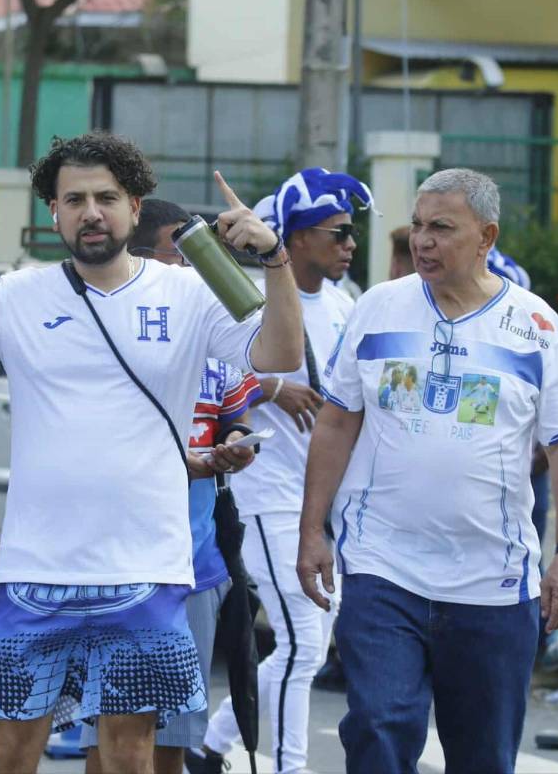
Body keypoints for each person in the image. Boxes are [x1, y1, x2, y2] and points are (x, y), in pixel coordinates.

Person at [0, 133, 304, 772]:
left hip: (146, 567)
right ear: (54, 213)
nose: (91, 212)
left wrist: (275, 258)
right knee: (11, 754)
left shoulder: (187, 293)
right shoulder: (17, 295)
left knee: (128, 755)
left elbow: (279, 354)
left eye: (106, 198)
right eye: (75, 200)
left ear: (134, 207)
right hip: (35, 569)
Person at [297, 168, 558, 774]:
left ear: (487, 236)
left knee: (482, 756)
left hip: (493, 580)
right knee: (378, 725)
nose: (423, 241)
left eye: (442, 228)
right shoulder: (378, 308)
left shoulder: (537, 328)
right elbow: (336, 423)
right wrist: (312, 530)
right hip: (383, 567)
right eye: (417, 226)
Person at [192, 168, 371, 774]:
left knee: (307, 647)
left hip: (323, 503)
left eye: (352, 232)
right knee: (301, 641)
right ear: (295, 238)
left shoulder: (346, 305)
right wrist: (272, 388)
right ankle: (288, 767)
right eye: (338, 232)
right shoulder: (251, 297)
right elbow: (215, 369)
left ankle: (210, 745)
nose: (350, 244)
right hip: (267, 494)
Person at [81, 197, 264, 774]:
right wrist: (177, 463)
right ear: (141, 258)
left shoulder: (210, 335)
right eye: (182, 253)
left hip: (196, 566)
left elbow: (236, 416)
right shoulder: (106, 344)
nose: (194, 267)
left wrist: (237, 443)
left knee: (172, 742)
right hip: (113, 569)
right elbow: (90, 447)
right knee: (108, 741)